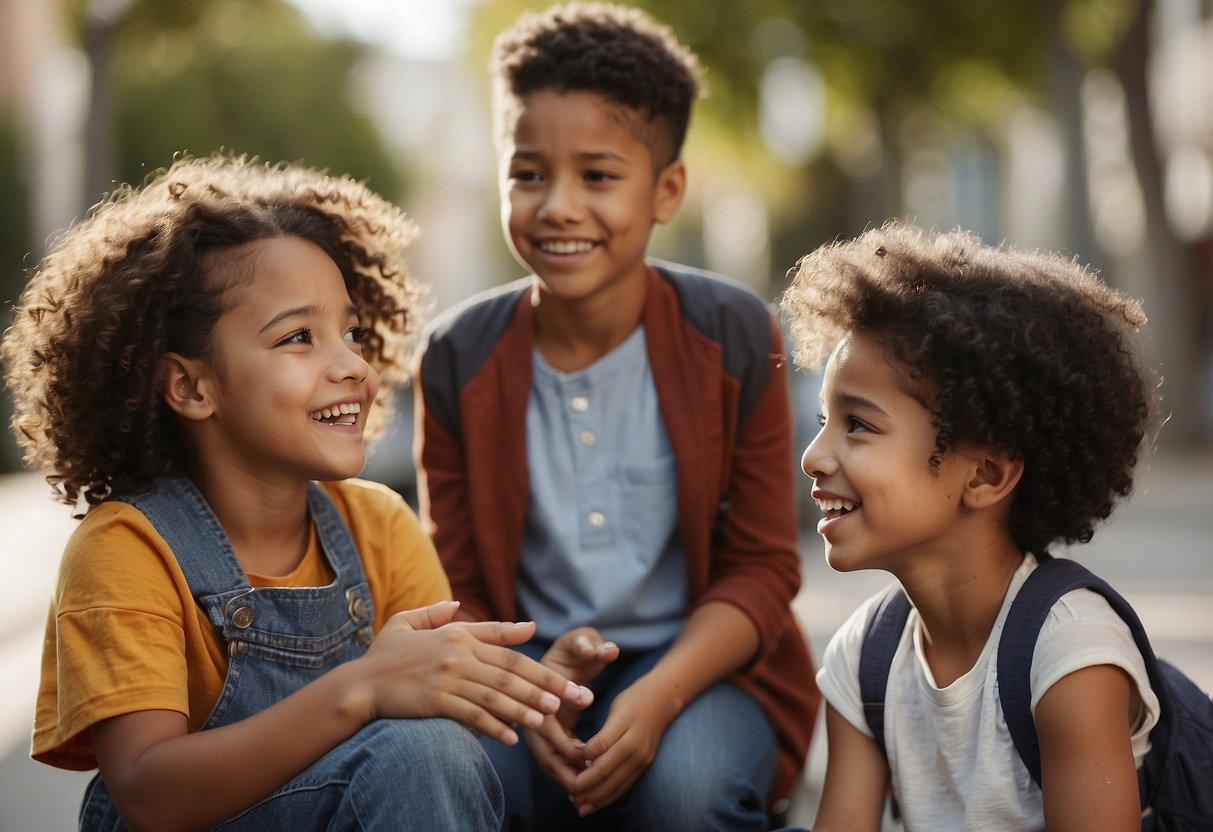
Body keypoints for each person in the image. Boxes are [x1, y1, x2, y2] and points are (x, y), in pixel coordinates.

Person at [1, 153, 594, 832]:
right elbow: (148, 791)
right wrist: (361, 689)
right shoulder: (125, 550)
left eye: (350, 332)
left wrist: (530, 695)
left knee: (438, 752)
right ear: (191, 387)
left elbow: (443, 722)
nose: (350, 365)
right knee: (415, 754)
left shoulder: (379, 525)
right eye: (298, 338)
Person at [412, 4, 819, 830]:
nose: (558, 205)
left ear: (666, 189)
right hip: (520, 671)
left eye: (597, 176)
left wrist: (659, 694)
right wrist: (534, 686)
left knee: (685, 789)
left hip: (703, 672)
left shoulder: (736, 333)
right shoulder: (457, 355)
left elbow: (764, 567)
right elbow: (451, 583)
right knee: (438, 769)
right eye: (528, 174)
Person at [781, 221, 1162, 831]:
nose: (814, 456)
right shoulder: (866, 656)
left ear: (984, 475)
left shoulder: (1069, 652)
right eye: (825, 418)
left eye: (857, 425)